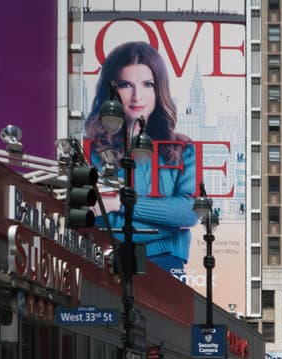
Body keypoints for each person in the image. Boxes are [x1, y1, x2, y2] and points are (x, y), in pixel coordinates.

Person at [83, 41, 198, 281]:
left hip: (166, 261)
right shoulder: (92, 150)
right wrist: (163, 220)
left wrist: (120, 204)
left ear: (159, 90)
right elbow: (91, 218)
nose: (137, 96)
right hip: (101, 258)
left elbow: (188, 213)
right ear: (112, 91)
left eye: (147, 84)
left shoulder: (181, 150)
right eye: (126, 85)